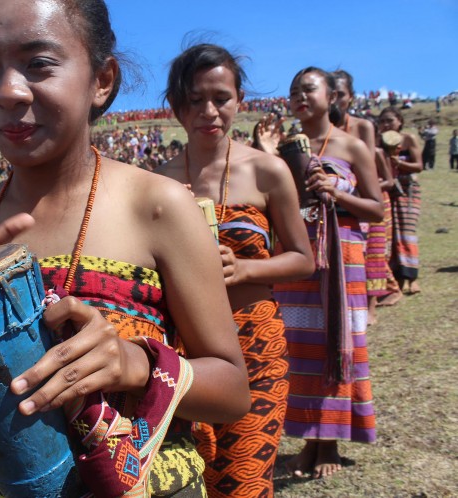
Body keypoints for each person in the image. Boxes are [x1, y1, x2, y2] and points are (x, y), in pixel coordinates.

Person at [0, 0, 250, 495]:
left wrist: (136, 364)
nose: (8, 91)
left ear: (102, 80)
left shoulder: (157, 206)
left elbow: (232, 390)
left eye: (38, 64)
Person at [155, 44, 314, 496]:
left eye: (221, 98)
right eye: (194, 99)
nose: (209, 111)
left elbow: (304, 258)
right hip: (187, 360)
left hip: (255, 350)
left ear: (239, 100)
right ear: (175, 106)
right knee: (189, 482)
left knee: (244, 483)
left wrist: (241, 268)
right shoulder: (158, 182)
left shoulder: (268, 171)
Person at [257, 67, 382, 479]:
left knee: (333, 342)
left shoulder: (352, 146)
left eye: (309, 89)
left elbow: (377, 208)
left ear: (332, 95)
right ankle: (309, 437)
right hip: (296, 254)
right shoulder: (283, 149)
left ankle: (324, 443)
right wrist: (267, 154)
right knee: (298, 346)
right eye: (294, 91)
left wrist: (338, 193)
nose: (300, 96)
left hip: (342, 259)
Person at [333, 70, 394, 324]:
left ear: (351, 97)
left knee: (370, 254)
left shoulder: (363, 127)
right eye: (332, 93)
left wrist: (340, 185)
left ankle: (369, 309)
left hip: (361, 199)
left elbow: (365, 166)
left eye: (341, 94)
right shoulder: (321, 129)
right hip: (337, 204)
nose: (336, 100)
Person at [378, 107, 423, 294]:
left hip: (408, 190)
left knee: (406, 232)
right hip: (389, 190)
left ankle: (412, 278)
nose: (387, 124)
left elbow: (419, 166)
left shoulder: (408, 139)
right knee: (392, 233)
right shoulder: (379, 142)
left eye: (390, 120)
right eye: (383, 121)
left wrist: (399, 163)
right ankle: (398, 276)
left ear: (399, 121)